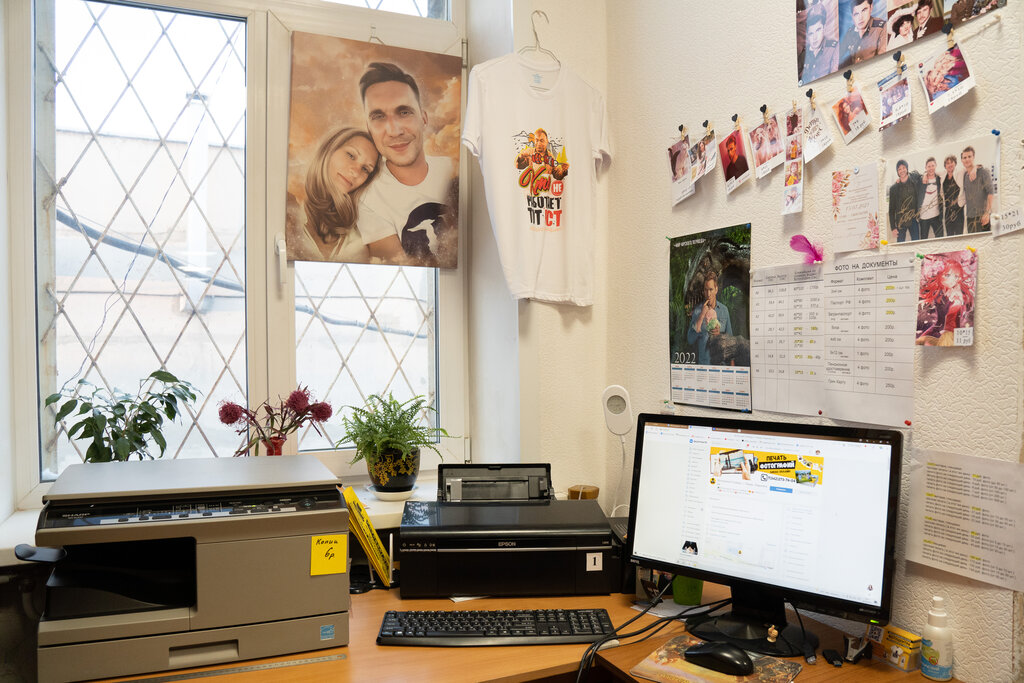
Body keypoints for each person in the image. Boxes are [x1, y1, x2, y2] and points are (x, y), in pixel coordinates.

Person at [357, 61, 458, 267]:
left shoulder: (454, 170)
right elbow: (399, 271)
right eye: (378, 117)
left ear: (424, 118)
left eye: (404, 112)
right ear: (369, 129)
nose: (394, 131)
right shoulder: (368, 200)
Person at [298, 127, 380, 261]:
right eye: (351, 155)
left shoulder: (359, 240)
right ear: (329, 149)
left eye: (365, 169)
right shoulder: (289, 208)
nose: (356, 172)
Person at [916, 257, 974, 346]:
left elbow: (952, 323)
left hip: (949, 333)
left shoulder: (956, 300)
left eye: (956, 276)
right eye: (947, 275)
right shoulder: (940, 292)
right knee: (920, 342)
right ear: (939, 275)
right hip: (936, 330)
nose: (952, 280)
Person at [687, 271, 733, 365]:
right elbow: (690, 340)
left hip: (721, 366)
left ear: (716, 289)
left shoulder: (724, 310)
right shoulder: (697, 311)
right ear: (703, 291)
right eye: (706, 290)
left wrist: (719, 335)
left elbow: (730, 340)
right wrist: (701, 316)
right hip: (704, 366)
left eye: (711, 289)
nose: (708, 294)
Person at [839, 0, 887, 67]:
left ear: (871, 7)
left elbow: (883, 61)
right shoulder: (850, 32)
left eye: (864, 10)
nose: (860, 18)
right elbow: (838, 55)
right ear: (852, 16)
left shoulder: (882, 28)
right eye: (856, 14)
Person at [801, 3, 839, 82]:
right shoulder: (803, 54)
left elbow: (835, 77)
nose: (815, 37)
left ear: (824, 28)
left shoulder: (833, 48)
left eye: (818, 30)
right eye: (811, 33)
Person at [960, 145, 994, 233]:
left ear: (973, 157)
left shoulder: (983, 172)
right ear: (962, 160)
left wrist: (987, 213)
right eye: (964, 157)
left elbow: (991, 192)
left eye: (969, 156)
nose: (967, 159)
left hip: (982, 216)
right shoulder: (964, 175)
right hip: (970, 218)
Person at [888, 160, 922, 242]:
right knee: (900, 245)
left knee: (916, 243)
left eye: (903, 168)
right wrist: (893, 228)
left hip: (913, 219)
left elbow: (921, 175)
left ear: (907, 169)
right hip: (900, 221)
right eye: (899, 169)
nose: (902, 170)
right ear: (897, 172)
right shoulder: (893, 189)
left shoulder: (914, 180)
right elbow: (891, 210)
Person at [918, 157, 942, 240]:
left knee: (940, 239)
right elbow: (912, 174)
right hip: (924, 217)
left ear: (936, 166)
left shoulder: (939, 178)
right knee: (924, 240)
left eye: (933, 166)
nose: (931, 168)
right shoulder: (921, 179)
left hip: (937, 215)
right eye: (929, 166)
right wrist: (925, 174)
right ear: (925, 167)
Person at [941, 154, 965, 235]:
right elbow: (932, 171)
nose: (950, 165)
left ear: (955, 163)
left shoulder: (960, 172)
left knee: (959, 235)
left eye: (952, 162)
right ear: (945, 166)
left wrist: (975, 168)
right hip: (948, 211)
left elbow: (969, 167)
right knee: (949, 235)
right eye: (947, 163)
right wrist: (925, 174)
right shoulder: (943, 175)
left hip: (958, 210)